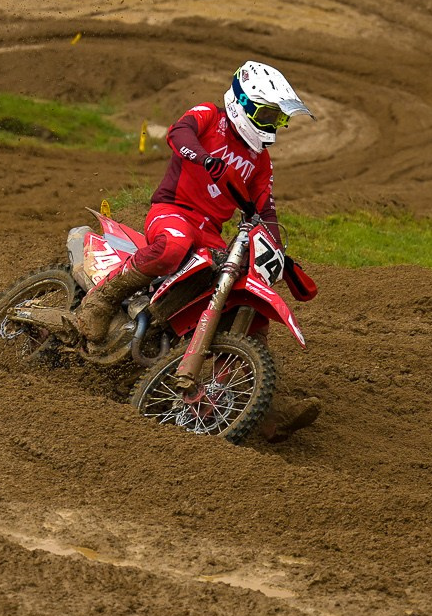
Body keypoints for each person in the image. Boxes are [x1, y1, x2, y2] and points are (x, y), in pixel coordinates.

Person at [70, 60, 321, 434]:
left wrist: (277, 251)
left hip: (211, 234)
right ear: (242, 103)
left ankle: (260, 403)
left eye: (276, 118)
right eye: (266, 114)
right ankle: (101, 300)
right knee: (174, 245)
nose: (271, 124)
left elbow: (266, 209)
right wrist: (204, 158)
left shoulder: (260, 161)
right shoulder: (208, 116)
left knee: (247, 297)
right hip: (172, 210)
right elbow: (178, 134)